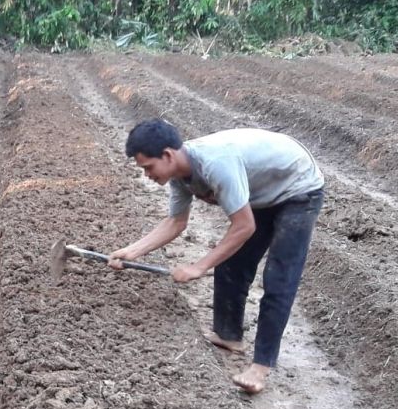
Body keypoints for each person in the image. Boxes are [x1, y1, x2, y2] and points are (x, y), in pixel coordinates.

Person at [108, 119, 325, 394]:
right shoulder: (180, 176)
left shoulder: (215, 164)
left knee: (279, 277)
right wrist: (131, 252)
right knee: (232, 263)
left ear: (167, 155)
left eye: (148, 167)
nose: (147, 174)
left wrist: (199, 267)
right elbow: (176, 222)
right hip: (263, 190)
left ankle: (260, 367)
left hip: (298, 187)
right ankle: (228, 336)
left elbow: (244, 226)